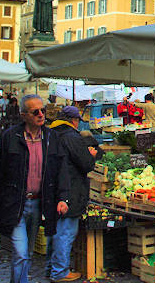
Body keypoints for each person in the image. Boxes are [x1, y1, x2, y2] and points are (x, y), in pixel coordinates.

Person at [0, 94, 70, 283]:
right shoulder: (11, 137)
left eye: (42, 110)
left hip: (39, 203)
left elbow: (60, 170)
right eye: (35, 111)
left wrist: (62, 198)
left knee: (27, 251)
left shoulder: (51, 137)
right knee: (20, 252)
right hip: (15, 202)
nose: (40, 115)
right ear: (23, 115)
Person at [48, 106, 101, 282]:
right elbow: (85, 164)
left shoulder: (51, 133)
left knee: (55, 231)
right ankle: (60, 271)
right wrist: (91, 155)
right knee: (66, 231)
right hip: (70, 189)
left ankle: (52, 267)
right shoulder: (72, 137)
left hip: (53, 189)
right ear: (73, 120)